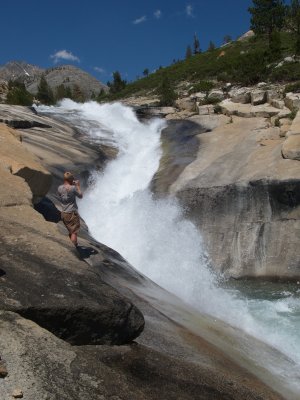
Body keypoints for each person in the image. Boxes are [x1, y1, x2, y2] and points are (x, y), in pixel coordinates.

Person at [57, 171, 83, 247]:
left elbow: (62, 194)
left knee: (70, 231)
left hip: (64, 212)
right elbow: (81, 196)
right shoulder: (73, 188)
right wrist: (78, 186)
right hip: (72, 213)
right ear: (71, 179)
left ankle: (72, 245)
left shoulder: (59, 188)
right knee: (74, 232)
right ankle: (73, 248)